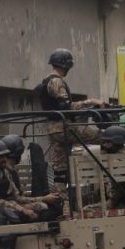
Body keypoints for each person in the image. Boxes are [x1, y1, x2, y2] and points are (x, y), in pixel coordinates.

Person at [38, 48, 106, 198]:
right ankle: (112, 175)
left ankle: (63, 202)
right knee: (104, 138)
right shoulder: (56, 81)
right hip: (62, 128)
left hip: (52, 130)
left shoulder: (46, 81)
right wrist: (90, 102)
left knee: (60, 168)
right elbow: (66, 107)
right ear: (65, 66)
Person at [0, 141, 60, 223]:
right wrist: (23, 210)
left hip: (11, 205)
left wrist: (43, 198)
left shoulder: (5, 172)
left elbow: (17, 197)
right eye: (0, 156)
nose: (4, 159)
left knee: (43, 207)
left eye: (5, 156)